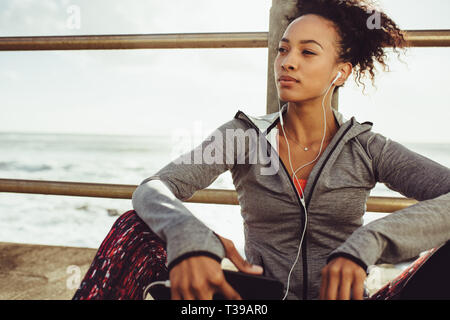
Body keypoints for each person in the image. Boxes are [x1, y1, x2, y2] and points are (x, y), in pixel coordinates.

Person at [73, 0, 450, 300]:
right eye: (283, 49)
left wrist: (369, 242)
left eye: (308, 52)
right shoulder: (244, 136)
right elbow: (153, 188)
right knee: (132, 227)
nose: (287, 61)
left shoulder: (369, 148)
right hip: (255, 304)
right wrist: (188, 234)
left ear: (341, 72)